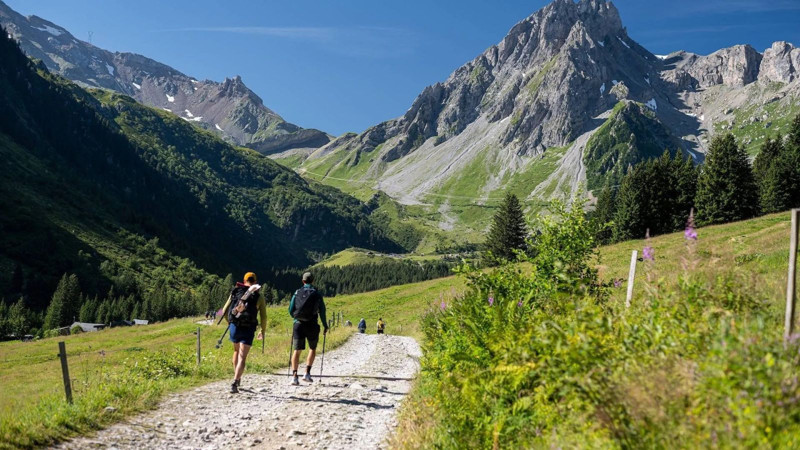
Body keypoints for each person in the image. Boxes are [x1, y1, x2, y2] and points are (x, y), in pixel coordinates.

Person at [220, 272, 267, 393]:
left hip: (235, 326)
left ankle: (237, 377)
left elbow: (225, 310)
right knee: (242, 357)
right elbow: (263, 317)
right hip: (249, 328)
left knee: (236, 351)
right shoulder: (259, 297)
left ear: (244, 280)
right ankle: (235, 381)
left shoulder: (236, 291)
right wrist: (262, 330)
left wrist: (229, 322)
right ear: (255, 282)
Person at [288, 272, 329, 386]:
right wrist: (325, 325)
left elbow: (291, 310)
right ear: (313, 281)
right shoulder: (317, 294)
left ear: (303, 281)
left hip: (298, 325)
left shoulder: (297, 293)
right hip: (312, 324)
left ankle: (295, 377)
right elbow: (322, 312)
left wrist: (297, 318)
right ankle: (307, 373)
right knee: (312, 348)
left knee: (297, 351)